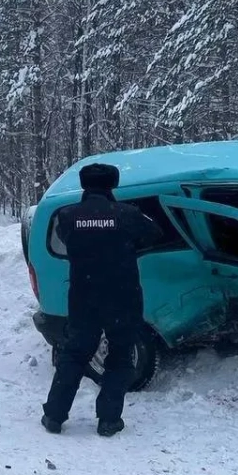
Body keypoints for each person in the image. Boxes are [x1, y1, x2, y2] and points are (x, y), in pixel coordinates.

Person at [41, 162, 164, 437]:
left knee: (74, 354)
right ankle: (108, 420)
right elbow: (155, 233)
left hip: (84, 296)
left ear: (84, 185)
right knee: (120, 355)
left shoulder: (69, 216)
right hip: (121, 297)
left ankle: (54, 415)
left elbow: (65, 236)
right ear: (113, 185)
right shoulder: (128, 215)